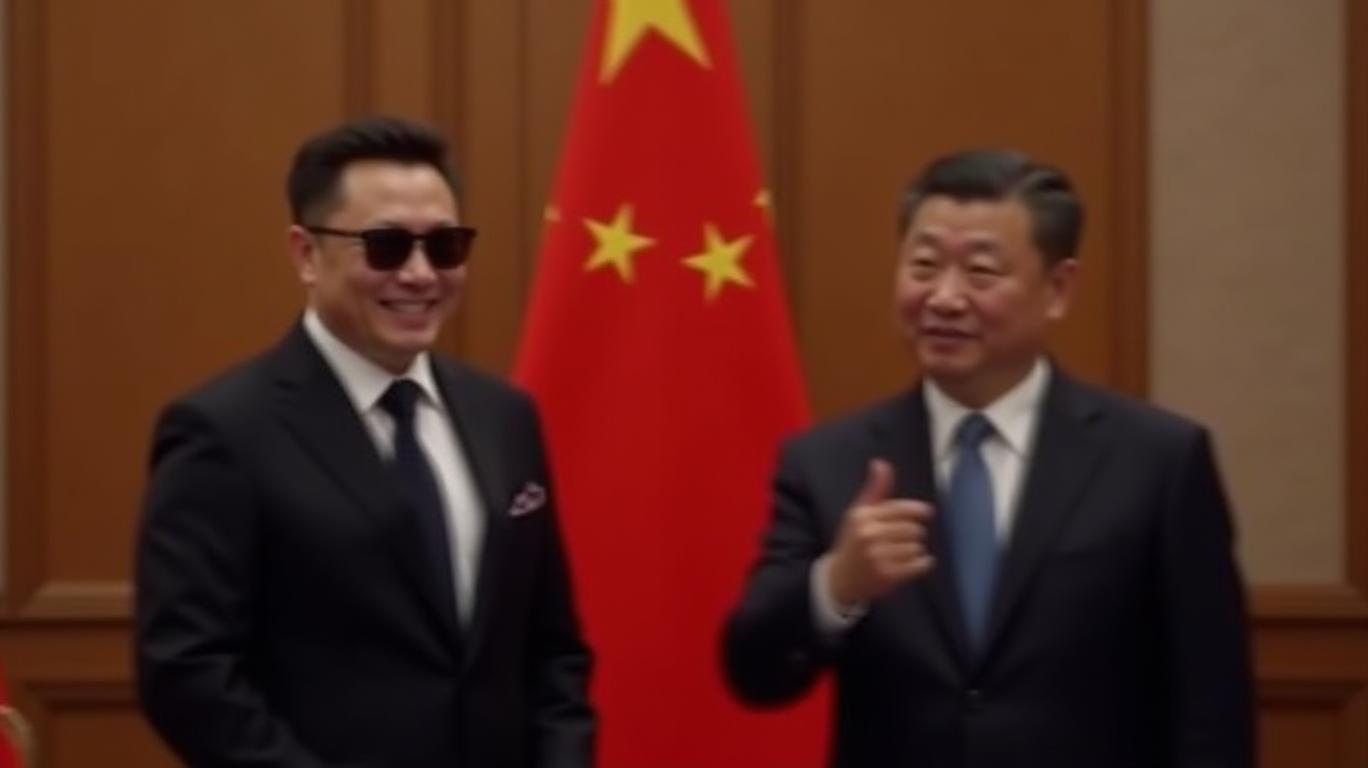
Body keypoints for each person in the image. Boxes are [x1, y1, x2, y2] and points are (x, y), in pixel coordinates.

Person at [723, 150, 1254, 767]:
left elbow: (1213, 707)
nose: (944, 298)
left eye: (980, 273)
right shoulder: (829, 463)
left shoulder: (1157, 461)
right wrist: (837, 584)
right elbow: (754, 672)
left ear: (1057, 289)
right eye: (924, 266)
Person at [135, 116, 594, 767]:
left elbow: (551, 649)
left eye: (445, 246)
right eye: (386, 246)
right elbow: (187, 672)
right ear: (305, 253)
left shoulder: (504, 416)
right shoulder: (223, 431)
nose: (420, 274)